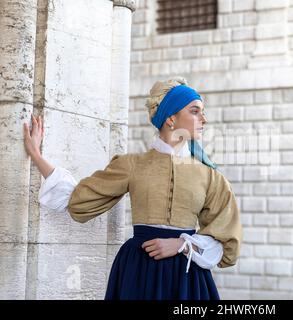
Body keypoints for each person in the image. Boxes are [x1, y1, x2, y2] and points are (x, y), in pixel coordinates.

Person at [23, 77, 242, 300]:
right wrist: (36, 156)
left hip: (186, 279)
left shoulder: (210, 176)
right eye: (195, 111)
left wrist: (182, 245)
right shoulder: (132, 165)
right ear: (171, 118)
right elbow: (78, 199)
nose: (203, 119)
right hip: (139, 271)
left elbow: (226, 243)